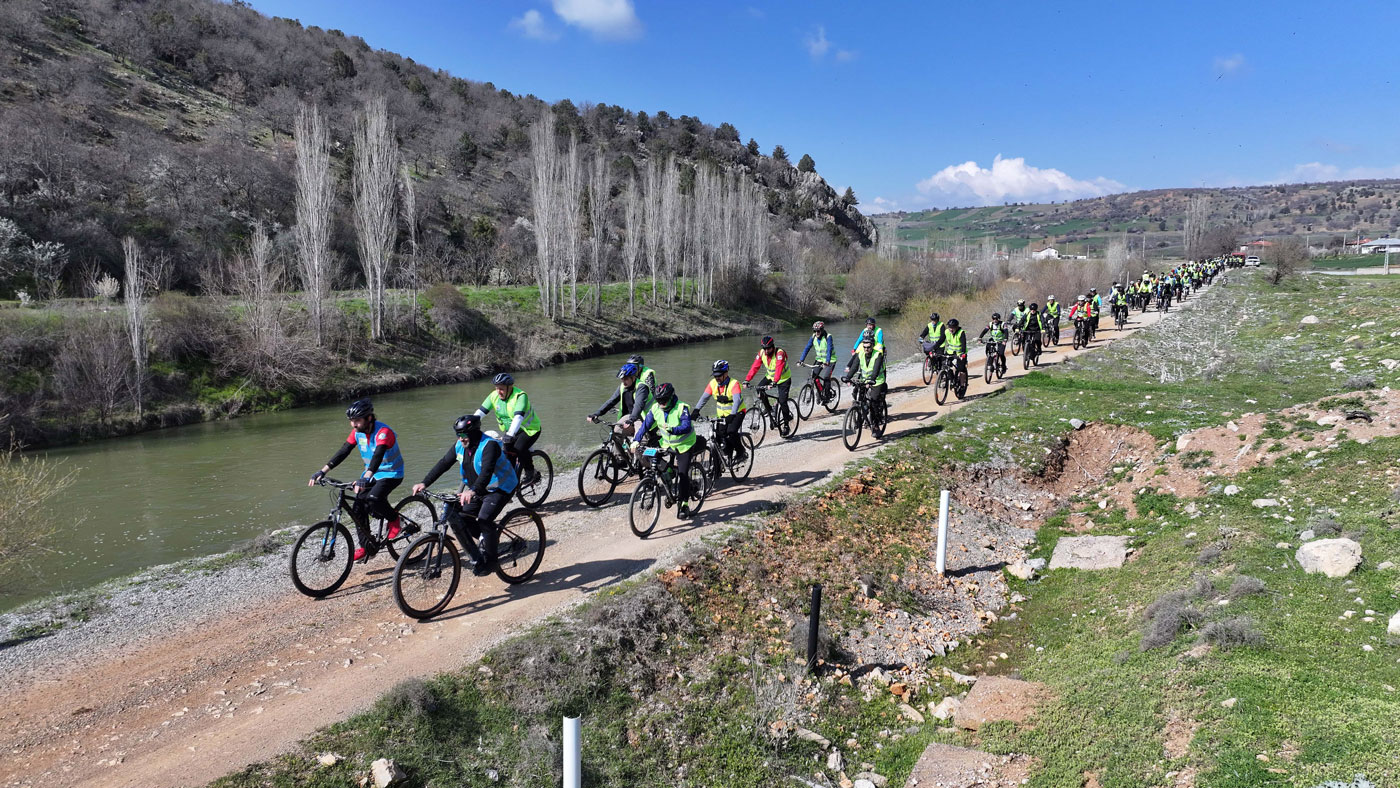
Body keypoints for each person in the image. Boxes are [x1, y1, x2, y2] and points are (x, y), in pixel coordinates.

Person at [412, 414, 517, 576]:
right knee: (463, 517)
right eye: (458, 435)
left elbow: (486, 473)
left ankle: (491, 562)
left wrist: (472, 491)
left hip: (500, 487)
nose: (460, 438)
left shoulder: (489, 446)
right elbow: (444, 463)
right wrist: (424, 483)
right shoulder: (460, 446)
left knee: (484, 519)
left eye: (463, 435)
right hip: (479, 489)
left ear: (474, 433)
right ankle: (486, 539)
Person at [309, 398, 405, 562]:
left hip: (391, 473)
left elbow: (378, 455)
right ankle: (367, 547)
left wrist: (365, 477)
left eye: (357, 420)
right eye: (352, 421)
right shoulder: (357, 432)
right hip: (371, 474)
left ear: (369, 418)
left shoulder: (383, 432)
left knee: (374, 498)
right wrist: (323, 471)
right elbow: (344, 451)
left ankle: (395, 519)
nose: (354, 424)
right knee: (358, 507)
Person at [639, 382, 699, 520]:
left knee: (683, 474)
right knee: (648, 455)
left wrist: (673, 429)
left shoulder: (682, 407)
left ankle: (684, 504)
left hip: (685, 444)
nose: (661, 403)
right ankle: (669, 471)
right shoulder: (655, 408)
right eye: (659, 400)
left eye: (664, 400)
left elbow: (686, 426)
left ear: (671, 397)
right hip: (667, 443)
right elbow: (645, 425)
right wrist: (636, 440)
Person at [474, 373, 541, 485]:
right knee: (507, 455)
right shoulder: (494, 396)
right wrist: (469, 424)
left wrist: (510, 434)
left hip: (529, 430)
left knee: (518, 448)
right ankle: (511, 482)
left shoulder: (520, 396)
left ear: (510, 388)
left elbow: (518, 417)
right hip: (511, 431)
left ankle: (531, 472)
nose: (498, 391)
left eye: (501, 389)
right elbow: (480, 412)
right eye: (496, 388)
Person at [586, 362, 655, 456]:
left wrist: (631, 419)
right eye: (622, 379)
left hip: (643, 418)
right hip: (629, 416)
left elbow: (638, 406)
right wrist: (597, 413)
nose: (623, 381)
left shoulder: (641, 387)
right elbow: (611, 401)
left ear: (633, 377)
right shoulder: (623, 387)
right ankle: (621, 458)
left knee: (639, 443)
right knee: (616, 431)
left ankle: (643, 461)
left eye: (626, 379)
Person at [694, 359, 747, 478]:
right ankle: (718, 468)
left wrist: (732, 414)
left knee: (731, 432)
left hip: (737, 413)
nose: (717, 378)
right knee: (718, 438)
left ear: (726, 373)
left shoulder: (734, 384)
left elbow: (737, 400)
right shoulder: (712, 383)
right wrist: (696, 410)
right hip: (721, 416)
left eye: (719, 375)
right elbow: (704, 398)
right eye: (715, 375)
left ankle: (741, 452)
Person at [744, 335, 793, 427]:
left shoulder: (779, 353)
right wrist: (747, 380)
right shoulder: (761, 353)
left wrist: (774, 382)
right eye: (764, 348)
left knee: (782, 401)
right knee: (759, 389)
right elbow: (755, 367)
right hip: (770, 377)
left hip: (784, 379)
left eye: (768, 348)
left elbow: (779, 368)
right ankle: (769, 409)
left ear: (772, 346)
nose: (766, 351)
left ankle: (786, 425)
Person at [842, 331, 887, 420]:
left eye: (868, 347)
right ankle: (860, 420)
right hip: (864, 379)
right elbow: (854, 367)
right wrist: (848, 377)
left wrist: (872, 380)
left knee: (873, 401)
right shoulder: (861, 353)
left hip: (877, 380)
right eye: (864, 347)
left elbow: (876, 369)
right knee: (860, 398)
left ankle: (876, 423)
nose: (866, 349)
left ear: (872, 345)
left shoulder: (878, 354)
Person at [798, 321, 837, 402]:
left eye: (818, 331)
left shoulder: (828, 337)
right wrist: (801, 360)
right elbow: (807, 348)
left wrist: (827, 361)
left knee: (826, 377)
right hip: (819, 360)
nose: (816, 333)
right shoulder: (813, 337)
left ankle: (827, 396)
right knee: (813, 376)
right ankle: (820, 390)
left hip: (830, 360)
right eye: (814, 331)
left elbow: (829, 349)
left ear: (822, 330)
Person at [943, 318, 969, 383]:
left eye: (953, 328)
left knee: (961, 369)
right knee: (945, 364)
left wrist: (962, 353)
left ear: (956, 327)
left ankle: (962, 385)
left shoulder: (961, 333)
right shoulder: (946, 332)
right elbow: (940, 341)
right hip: (950, 352)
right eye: (949, 327)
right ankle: (951, 379)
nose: (951, 329)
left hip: (960, 353)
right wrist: (934, 349)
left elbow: (963, 344)